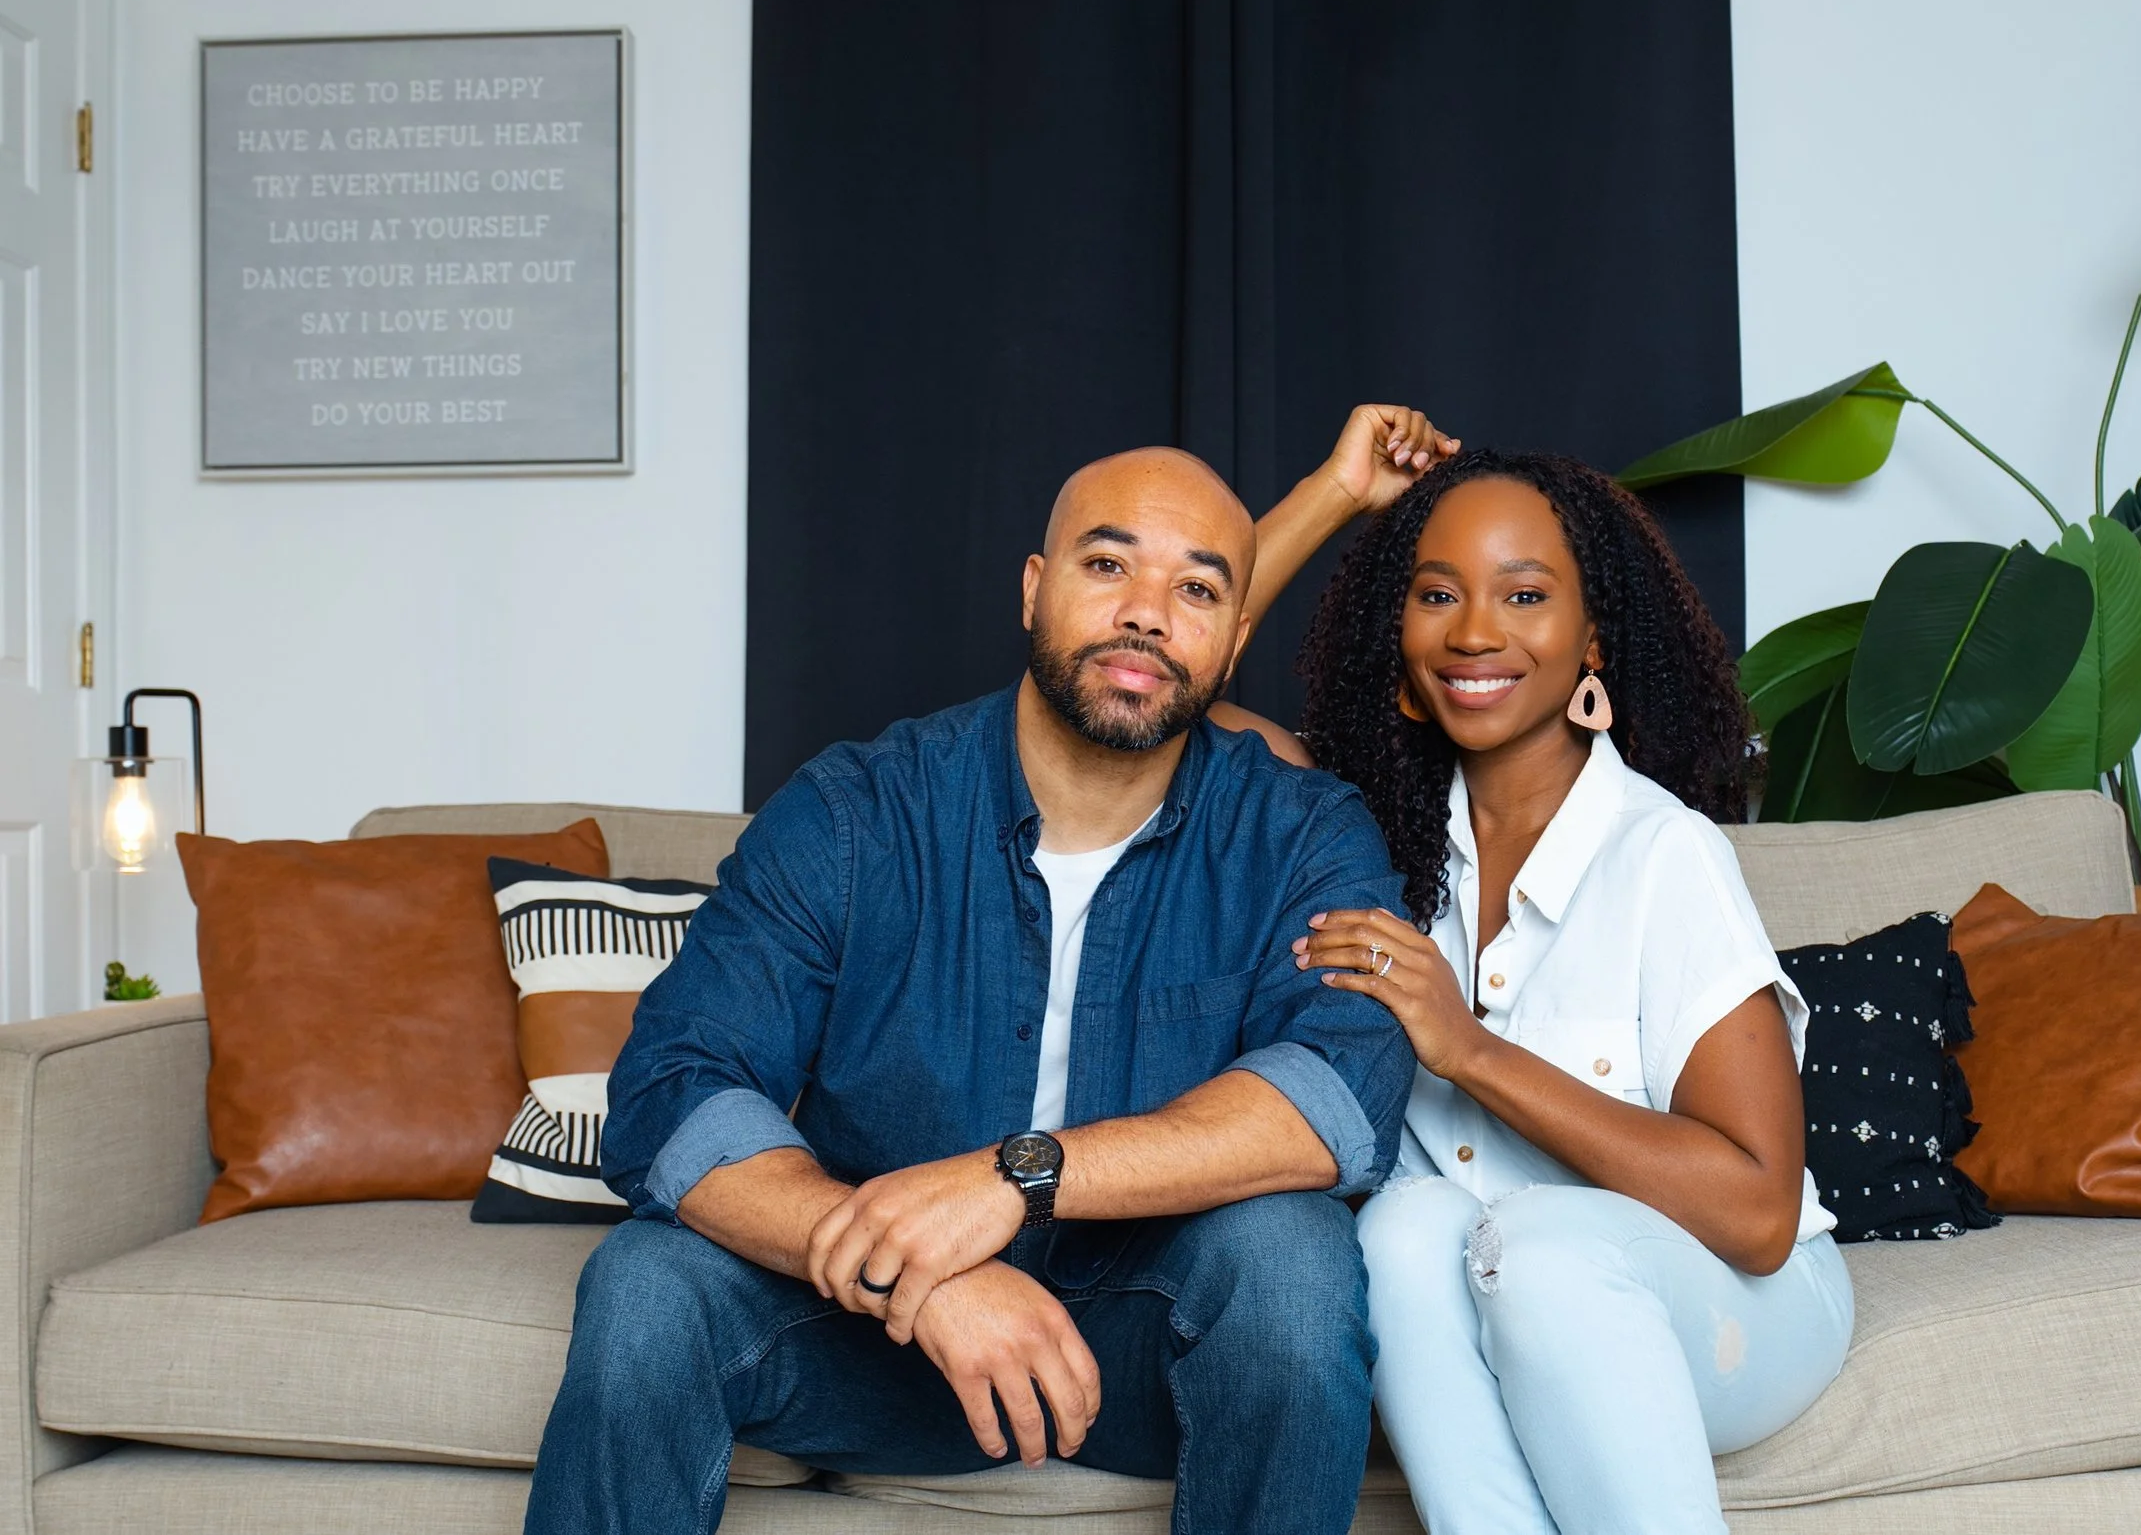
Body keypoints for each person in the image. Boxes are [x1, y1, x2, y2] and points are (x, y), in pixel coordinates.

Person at [523, 409, 1458, 1535]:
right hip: (874, 1340)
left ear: (1235, 632)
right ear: (1032, 587)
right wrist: (923, 1274)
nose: (1145, 614)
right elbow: (676, 1083)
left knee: (1293, 1264)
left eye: (1196, 592)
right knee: (645, 1285)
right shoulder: (855, 809)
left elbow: (1331, 1104)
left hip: (1146, 1343)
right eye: (1107, 564)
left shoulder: (1301, 832)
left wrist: (1009, 1179)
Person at [1249, 446, 1855, 1535]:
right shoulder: (1359, 846)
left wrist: (1469, 1049)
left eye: (1524, 595)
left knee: (1540, 1250)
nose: (1475, 632)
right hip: (1495, 1300)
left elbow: (1758, 1217)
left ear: (1591, 640)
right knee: (1395, 1231)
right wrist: (1334, 493)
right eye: (1436, 595)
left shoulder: (1663, 855)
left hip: (1731, 1306)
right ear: (1397, 634)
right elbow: (1155, 665)